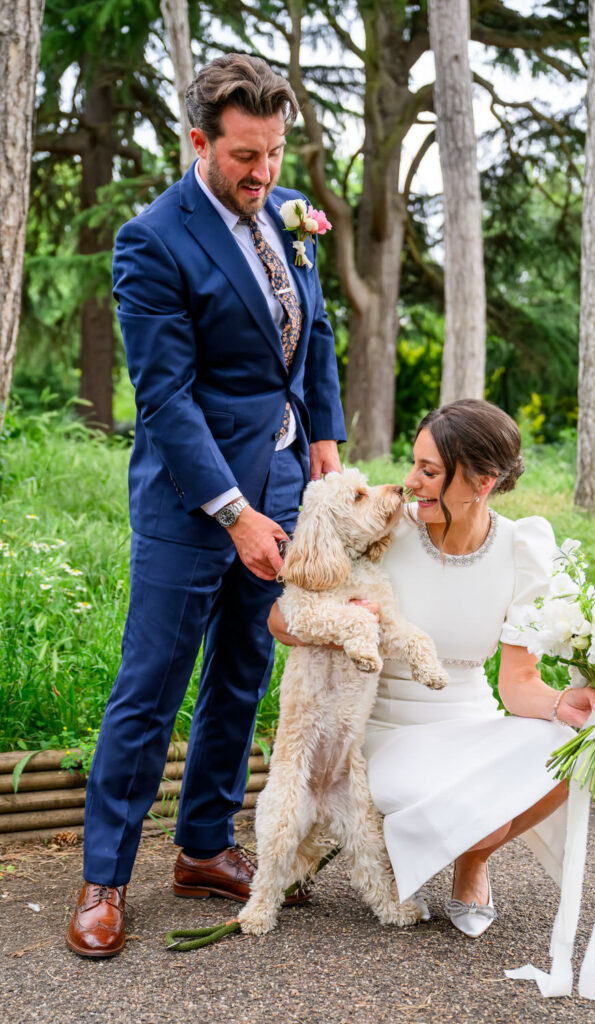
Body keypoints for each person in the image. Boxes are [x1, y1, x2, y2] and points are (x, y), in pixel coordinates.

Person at [66, 53, 345, 958]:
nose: (263, 175)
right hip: (195, 505)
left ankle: (200, 848)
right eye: (243, 157)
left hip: (284, 485)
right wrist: (235, 513)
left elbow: (315, 333)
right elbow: (167, 398)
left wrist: (324, 449)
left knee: (242, 674)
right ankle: (103, 875)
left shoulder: (288, 211)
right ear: (198, 141)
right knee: (150, 688)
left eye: (272, 153)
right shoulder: (153, 239)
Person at [269, 399, 595, 938]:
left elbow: (518, 685)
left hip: (472, 722)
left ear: (482, 483)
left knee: (581, 747)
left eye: (429, 471)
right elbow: (280, 617)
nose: (410, 482)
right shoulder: (388, 526)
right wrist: (342, 620)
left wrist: (561, 705)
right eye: (415, 464)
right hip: (385, 729)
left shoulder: (522, 548)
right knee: (483, 810)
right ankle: (454, 843)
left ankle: (473, 862)